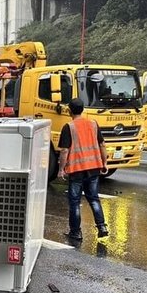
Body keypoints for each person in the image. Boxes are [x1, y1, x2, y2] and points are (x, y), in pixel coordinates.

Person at [57, 98, 109, 242]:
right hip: (93, 168)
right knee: (94, 199)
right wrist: (104, 162)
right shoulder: (93, 124)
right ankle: (102, 227)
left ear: (69, 110)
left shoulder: (69, 127)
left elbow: (64, 151)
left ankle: (76, 232)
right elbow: (102, 145)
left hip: (77, 169)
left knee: (75, 202)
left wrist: (61, 169)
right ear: (83, 109)